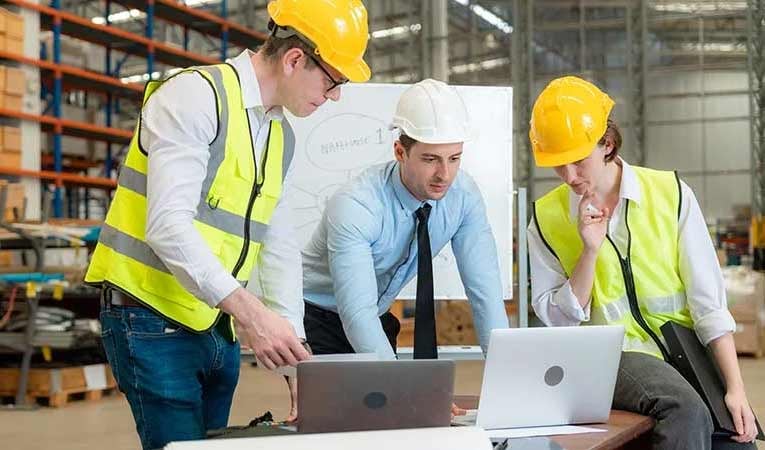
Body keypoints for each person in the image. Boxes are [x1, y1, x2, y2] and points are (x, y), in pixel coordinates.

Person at [84, 0, 371, 447]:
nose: (334, 96)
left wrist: (292, 346)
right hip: (148, 317)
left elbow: (278, 243)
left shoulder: (281, 136)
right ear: (296, 59)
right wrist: (254, 314)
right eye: (334, 81)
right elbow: (167, 224)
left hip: (216, 324)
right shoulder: (196, 96)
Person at [527, 75, 758, 450]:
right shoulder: (546, 220)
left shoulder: (671, 194)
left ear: (608, 144)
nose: (568, 177)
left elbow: (708, 304)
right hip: (607, 358)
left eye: (577, 162)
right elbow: (556, 320)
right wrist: (589, 250)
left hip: (683, 353)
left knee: (737, 443)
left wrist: (735, 388)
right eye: (558, 166)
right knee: (685, 409)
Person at [301, 78, 509, 362]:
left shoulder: (463, 196)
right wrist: (406, 392)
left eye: (454, 158)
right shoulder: (357, 205)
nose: (444, 175)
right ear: (400, 152)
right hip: (317, 318)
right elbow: (356, 314)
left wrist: (505, 375)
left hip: (375, 316)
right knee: (364, 403)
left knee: (399, 403)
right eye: (430, 159)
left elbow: (485, 293)